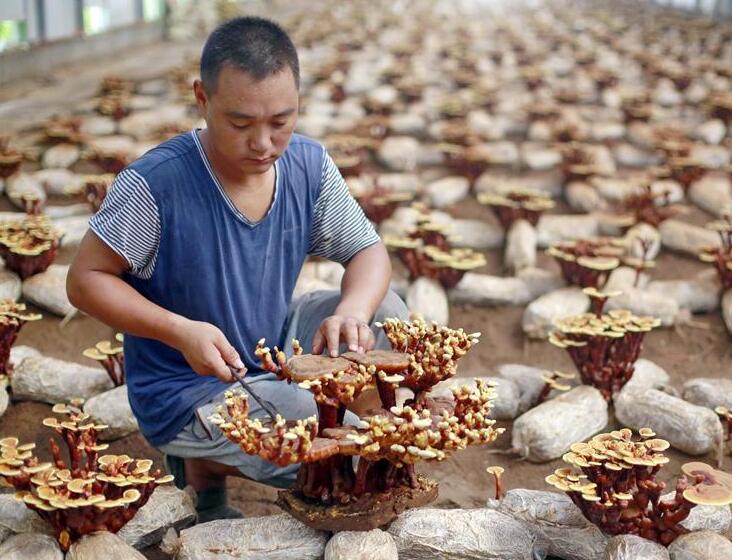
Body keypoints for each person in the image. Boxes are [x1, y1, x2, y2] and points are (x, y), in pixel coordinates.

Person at [67, 16, 407, 521]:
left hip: (269, 342)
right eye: (241, 123)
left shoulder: (307, 165)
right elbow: (84, 281)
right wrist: (178, 331)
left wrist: (353, 313)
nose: (264, 144)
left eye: (281, 122)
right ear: (202, 99)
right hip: (187, 386)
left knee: (387, 314)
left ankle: (336, 432)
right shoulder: (156, 185)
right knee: (335, 455)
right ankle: (203, 461)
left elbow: (368, 252)